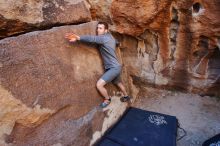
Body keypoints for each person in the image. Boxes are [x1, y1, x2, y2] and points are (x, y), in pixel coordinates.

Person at [65, 21, 131, 108]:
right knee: (118, 82)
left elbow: (92, 39)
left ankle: (107, 99)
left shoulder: (103, 38)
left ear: (106, 30)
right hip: (116, 66)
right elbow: (115, 41)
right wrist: (118, 43)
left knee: (99, 85)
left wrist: (78, 37)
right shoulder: (110, 37)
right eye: (97, 28)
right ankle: (126, 96)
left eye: (100, 28)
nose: (98, 30)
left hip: (113, 68)